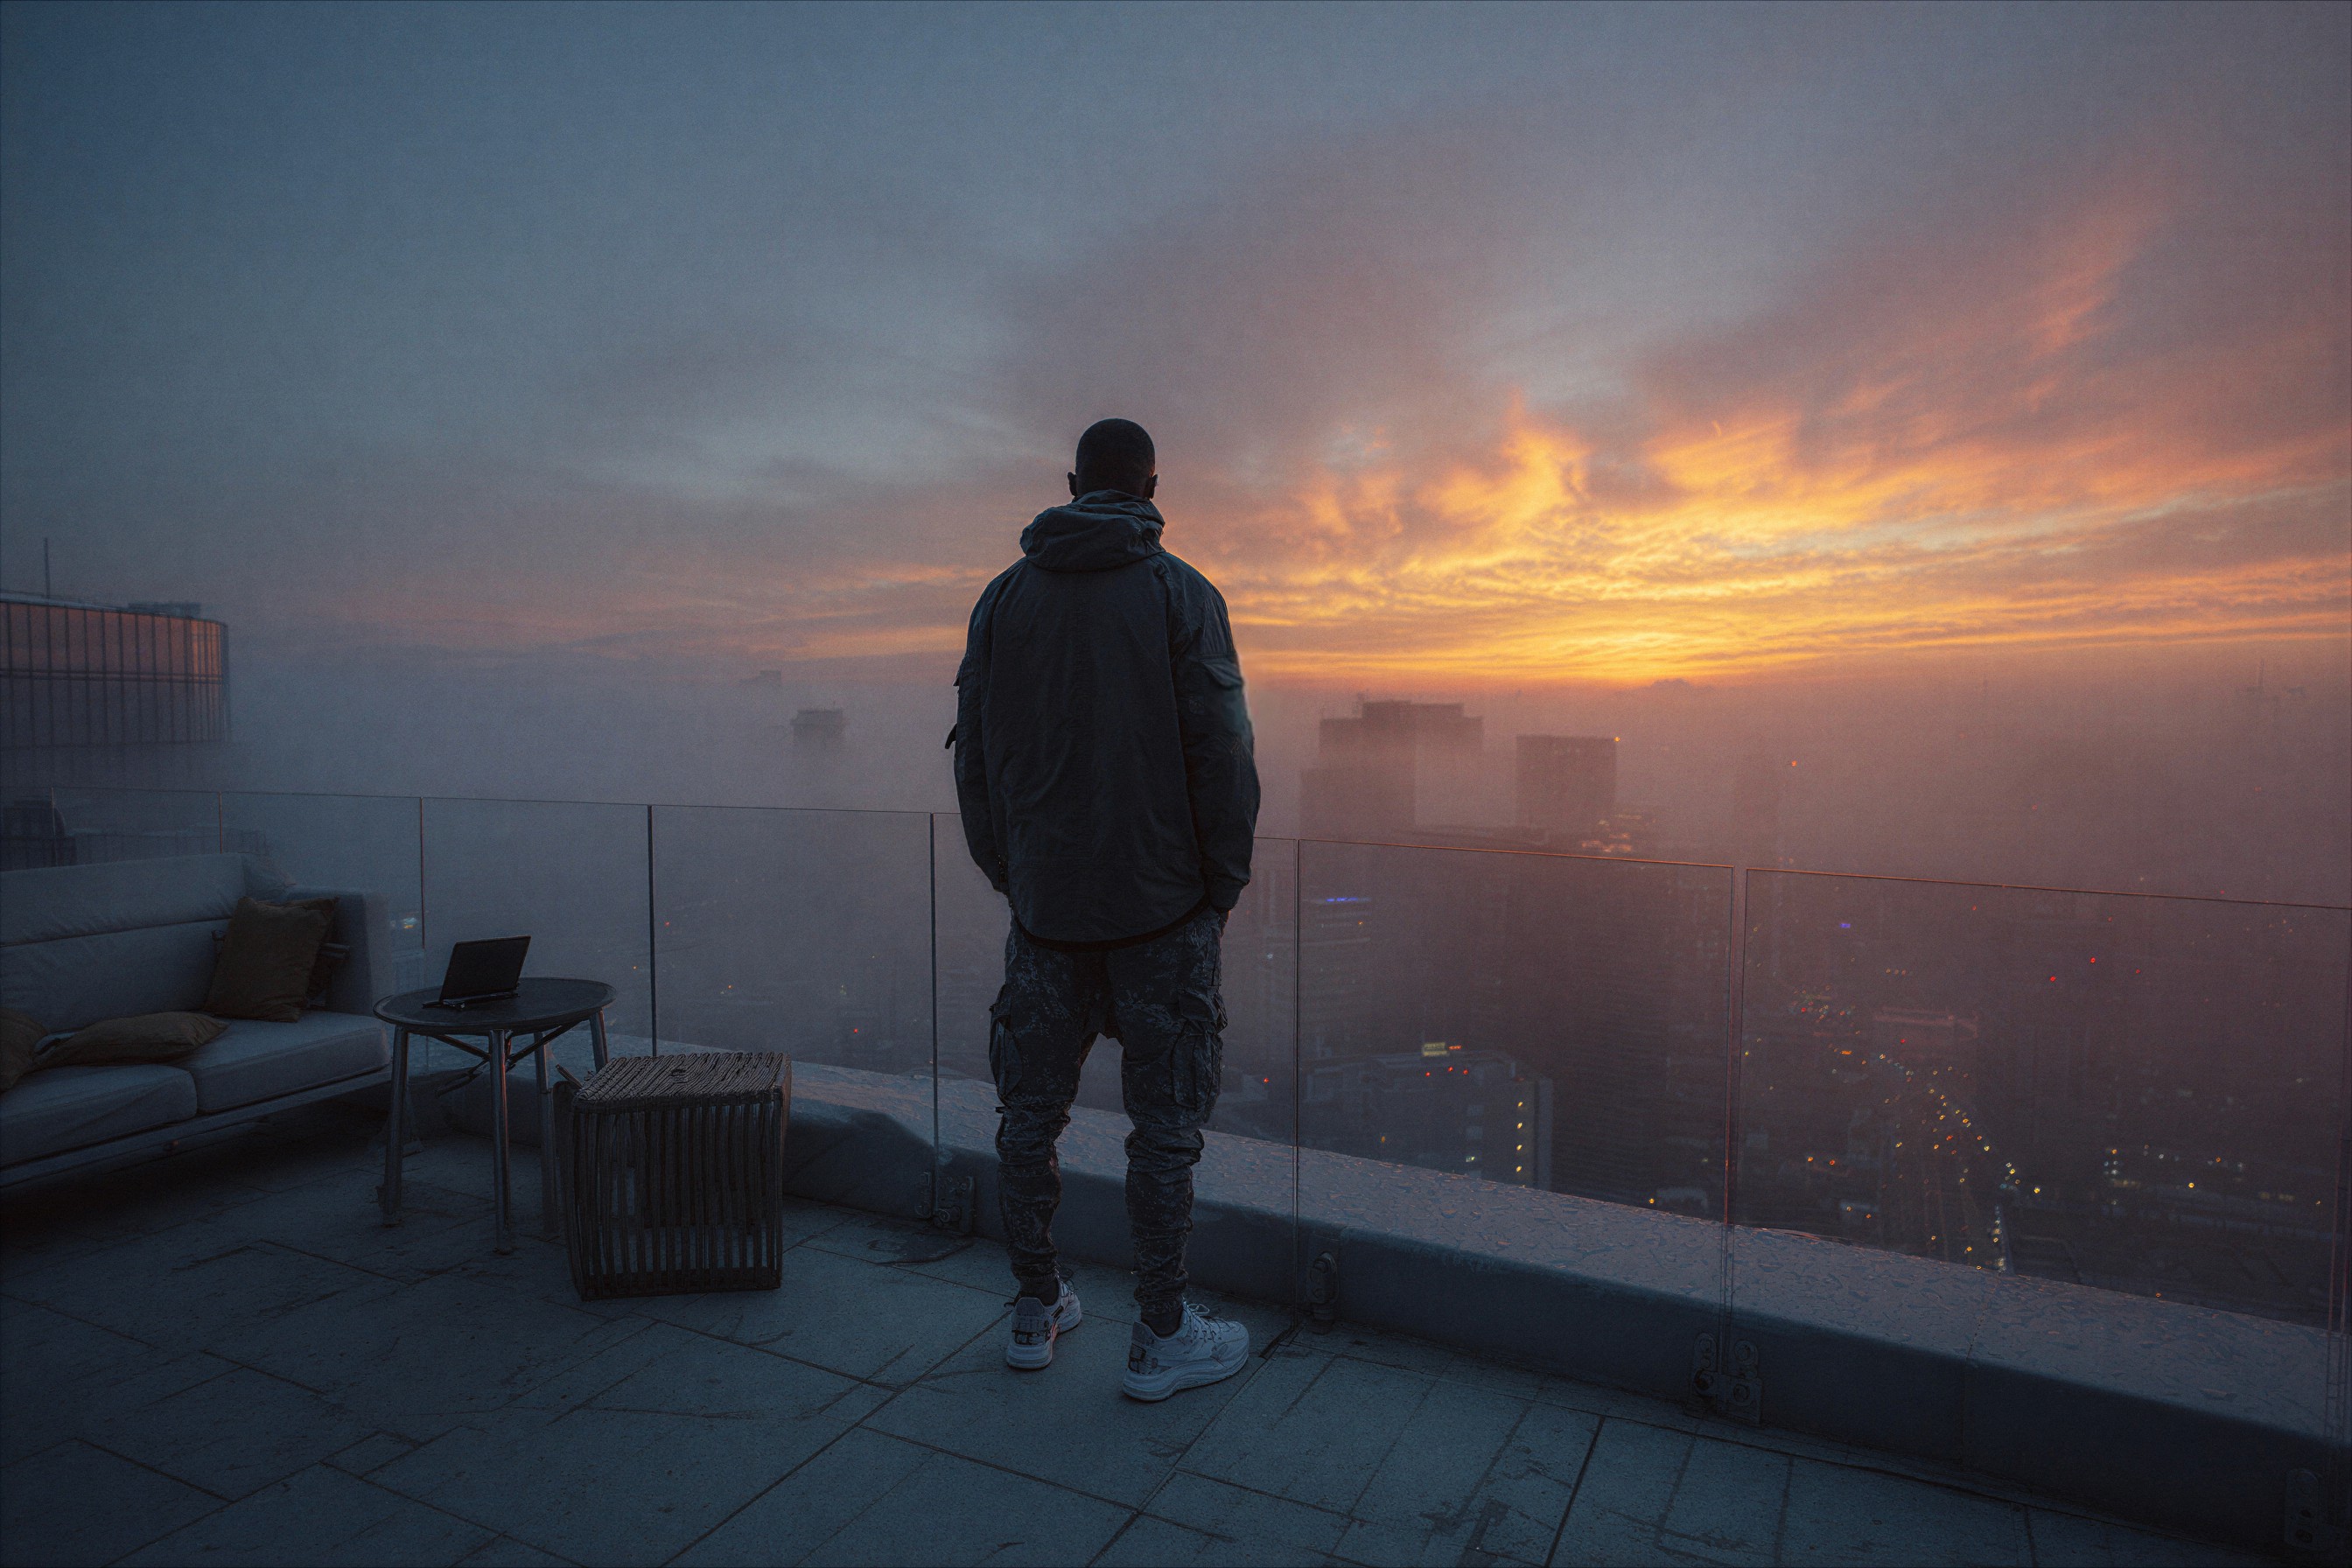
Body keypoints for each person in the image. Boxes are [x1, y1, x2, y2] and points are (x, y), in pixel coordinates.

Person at [952, 417, 1260, 1401]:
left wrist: (1013, 872)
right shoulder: (1182, 596)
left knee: (1026, 1116)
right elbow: (1224, 756)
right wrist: (1220, 887)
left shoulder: (1003, 601)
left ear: (1071, 481)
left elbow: (977, 760)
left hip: (1045, 913)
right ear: (1154, 485)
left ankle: (1036, 1308)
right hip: (1162, 913)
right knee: (1163, 1129)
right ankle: (1160, 1334)